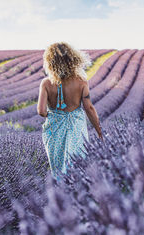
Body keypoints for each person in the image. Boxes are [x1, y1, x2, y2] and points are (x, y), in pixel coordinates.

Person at [37, 42, 103, 182]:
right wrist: (99, 132)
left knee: (58, 167)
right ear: (72, 59)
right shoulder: (81, 82)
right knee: (78, 163)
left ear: (50, 62)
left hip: (54, 130)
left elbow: (41, 111)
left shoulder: (46, 83)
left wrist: (55, 115)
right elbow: (89, 108)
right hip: (76, 129)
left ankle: (61, 194)